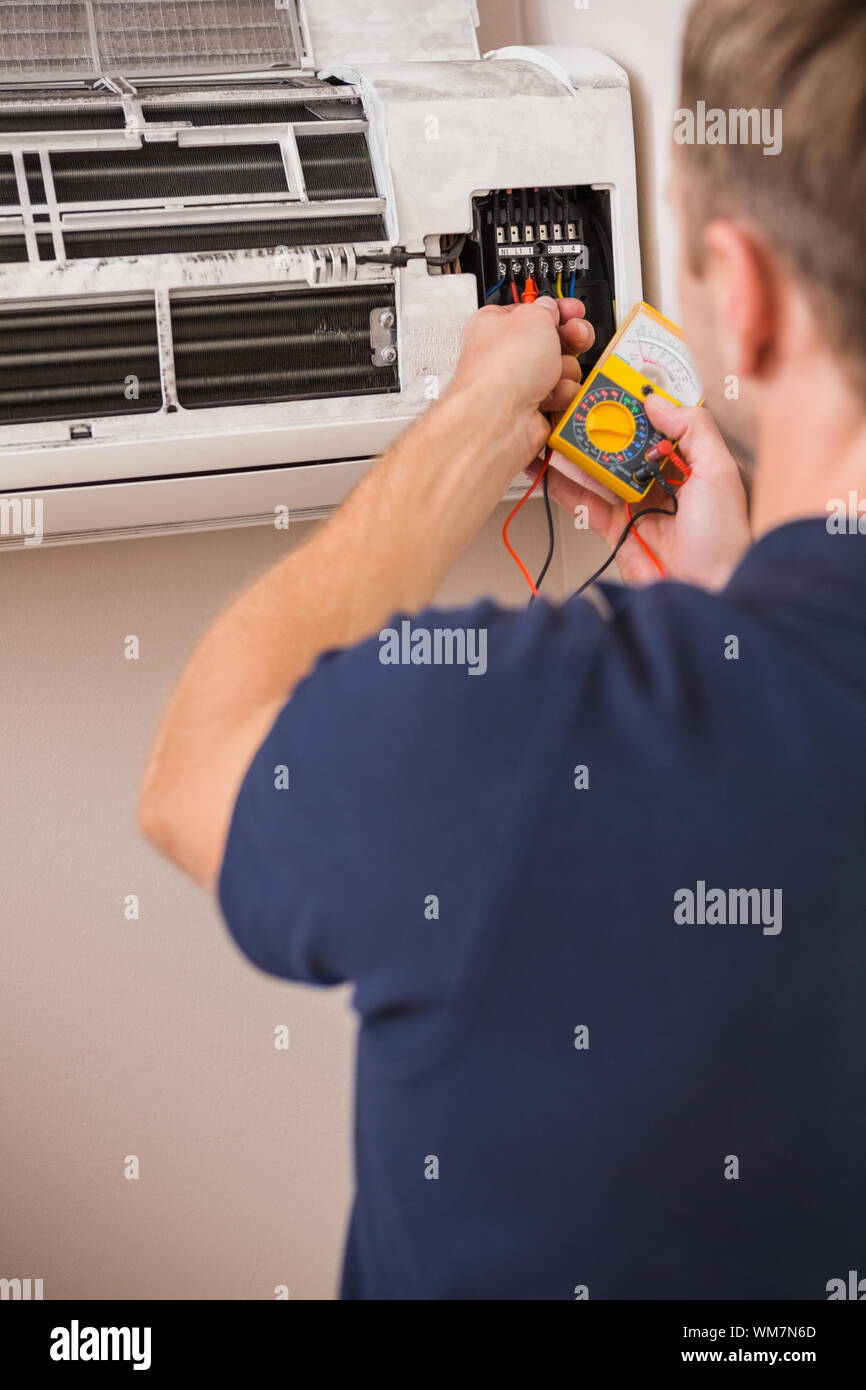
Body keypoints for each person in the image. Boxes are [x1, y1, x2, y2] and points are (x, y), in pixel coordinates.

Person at [139, 0, 866, 1299]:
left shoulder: (521, 734)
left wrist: (466, 419)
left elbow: (195, 769)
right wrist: (734, 607)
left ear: (741, 294)